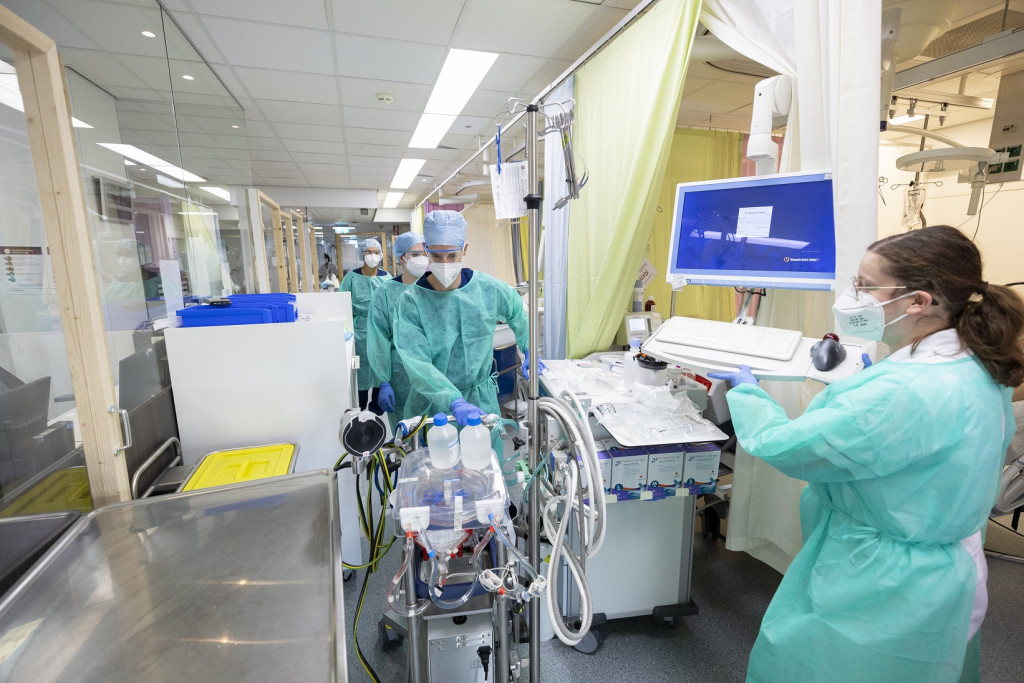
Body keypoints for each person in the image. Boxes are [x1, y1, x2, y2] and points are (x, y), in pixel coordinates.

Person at [709, 225, 1024, 682]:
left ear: (918, 301)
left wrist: (748, 393)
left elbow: (786, 447)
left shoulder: (903, 391)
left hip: (880, 584)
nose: (852, 298)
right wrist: (867, 385)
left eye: (864, 287)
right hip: (944, 571)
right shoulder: (976, 363)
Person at [393, 210, 543, 426]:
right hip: (433, 406)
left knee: (484, 447)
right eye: (436, 256)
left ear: (464, 249)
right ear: (426, 251)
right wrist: (453, 400)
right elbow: (417, 363)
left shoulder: (488, 289)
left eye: (452, 256)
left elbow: (517, 310)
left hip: (481, 400)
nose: (445, 263)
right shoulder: (411, 302)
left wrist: (528, 348)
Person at [367, 231, 428, 418]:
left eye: (425, 253)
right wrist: (383, 380)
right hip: (401, 374)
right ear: (402, 257)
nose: (422, 259)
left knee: (438, 428)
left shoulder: (435, 289)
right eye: (416, 254)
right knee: (407, 426)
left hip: (434, 372)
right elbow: (379, 339)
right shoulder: (385, 293)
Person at [340, 238, 391, 413]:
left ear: (381, 255)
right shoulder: (351, 278)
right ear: (362, 254)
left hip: (381, 330)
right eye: (369, 252)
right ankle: (359, 410)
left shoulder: (387, 279)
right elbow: (342, 304)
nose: (372, 256)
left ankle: (375, 411)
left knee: (380, 367)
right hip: (359, 331)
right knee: (360, 372)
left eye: (376, 252)